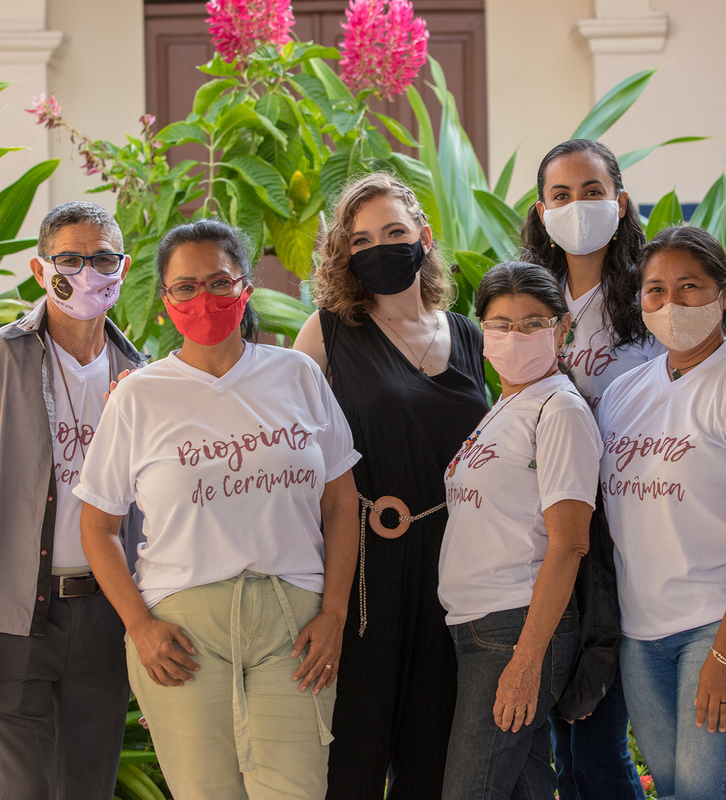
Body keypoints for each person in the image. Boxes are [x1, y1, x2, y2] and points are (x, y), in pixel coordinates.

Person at [75, 218, 361, 800]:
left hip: (295, 625)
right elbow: (98, 527)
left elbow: (341, 501)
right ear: (164, 301)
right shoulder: (138, 395)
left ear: (246, 289)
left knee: (296, 790)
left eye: (219, 282)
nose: (203, 298)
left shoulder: (297, 375)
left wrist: (333, 615)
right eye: (185, 286)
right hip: (182, 634)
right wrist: (140, 626)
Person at [0, 201, 145, 800]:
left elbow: (152, 518)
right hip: (14, 619)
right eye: (70, 258)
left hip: (105, 617)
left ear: (123, 269)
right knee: (25, 790)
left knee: (89, 788)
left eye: (102, 258)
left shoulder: (141, 377)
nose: (88, 271)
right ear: (40, 270)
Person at [293, 172, 489, 799]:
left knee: (432, 747)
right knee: (354, 746)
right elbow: (290, 455)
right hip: (364, 561)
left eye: (394, 233)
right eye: (361, 239)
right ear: (343, 254)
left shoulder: (471, 336)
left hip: (456, 562)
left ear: (424, 238)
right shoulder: (324, 334)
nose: (379, 247)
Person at [598, 225, 726, 800]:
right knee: (676, 789)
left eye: (689, 287)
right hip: (642, 631)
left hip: (721, 621)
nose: (669, 303)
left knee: (706, 793)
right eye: (655, 289)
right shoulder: (624, 393)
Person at [522, 138, 658, 799]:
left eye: (593, 191)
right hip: (550, 543)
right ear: (541, 211)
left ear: (621, 201)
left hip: (630, 542)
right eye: (562, 195)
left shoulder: (651, 301)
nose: (578, 206)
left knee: (599, 743)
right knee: (564, 743)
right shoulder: (527, 306)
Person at [439, 261, 602, 800]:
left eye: (534, 322)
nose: (516, 335)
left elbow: (571, 542)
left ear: (562, 328)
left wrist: (526, 660)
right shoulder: (506, 405)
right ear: (481, 331)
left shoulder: (559, 410)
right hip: (480, 626)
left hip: (514, 630)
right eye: (502, 323)